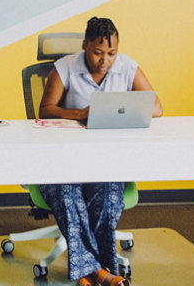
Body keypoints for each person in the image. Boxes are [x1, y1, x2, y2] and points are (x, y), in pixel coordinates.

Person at [37, 17, 163, 286]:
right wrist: (80, 114)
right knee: (66, 193)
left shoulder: (127, 67)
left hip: (105, 162)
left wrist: (120, 107)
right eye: (97, 52)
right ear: (85, 46)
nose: (105, 60)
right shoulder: (65, 68)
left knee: (108, 195)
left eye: (111, 53)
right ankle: (101, 272)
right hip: (62, 162)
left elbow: (156, 108)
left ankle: (89, 272)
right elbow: (45, 110)